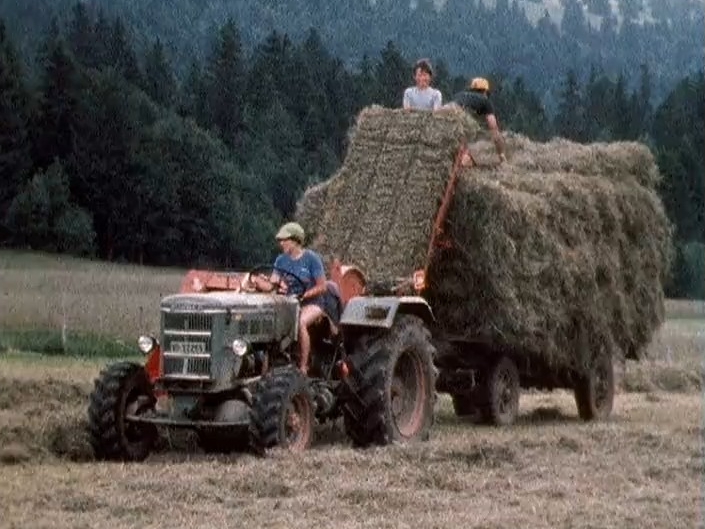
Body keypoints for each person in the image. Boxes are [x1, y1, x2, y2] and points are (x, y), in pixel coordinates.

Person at [249, 221, 332, 375]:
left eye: (284, 240)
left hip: (312, 302)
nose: (281, 243)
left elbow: (322, 286)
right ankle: (265, 367)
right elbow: (272, 285)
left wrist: (305, 294)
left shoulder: (311, 258)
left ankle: (303, 366)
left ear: (295, 240)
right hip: (289, 302)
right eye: (280, 240)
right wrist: (258, 282)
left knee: (300, 322)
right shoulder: (281, 260)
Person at [445, 77, 507, 165]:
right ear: (485, 92)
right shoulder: (485, 101)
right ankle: (463, 161)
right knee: (472, 135)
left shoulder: (460, 94)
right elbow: (493, 127)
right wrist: (501, 153)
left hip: (446, 109)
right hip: (459, 114)